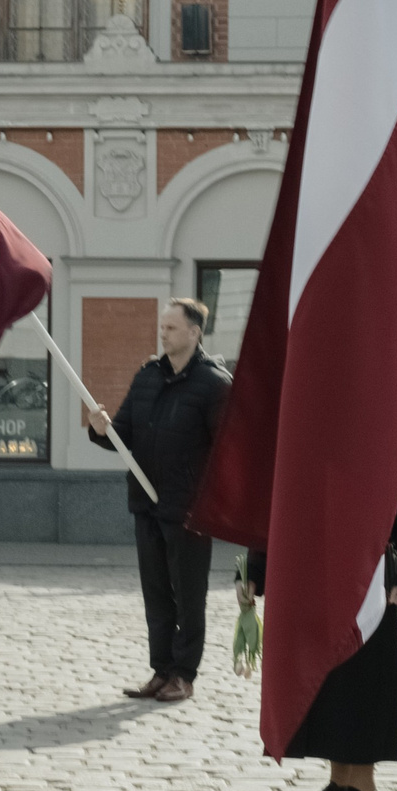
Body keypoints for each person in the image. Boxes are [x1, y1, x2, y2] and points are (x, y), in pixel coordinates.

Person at [279, 450, 397, 791]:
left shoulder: (384, 423)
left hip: (371, 573)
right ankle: (341, 782)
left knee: (364, 680)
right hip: (321, 568)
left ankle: (364, 787)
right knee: (330, 682)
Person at [89, 298, 231, 706]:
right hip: (146, 503)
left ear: (194, 332)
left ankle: (184, 675)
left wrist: (208, 498)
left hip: (188, 509)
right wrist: (101, 429)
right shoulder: (147, 376)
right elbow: (124, 433)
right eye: (162, 327)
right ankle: (161, 669)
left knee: (188, 594)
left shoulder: (214, 383)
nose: (163, 334)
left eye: (171, 328)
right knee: (155, 592)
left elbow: (228, 450)